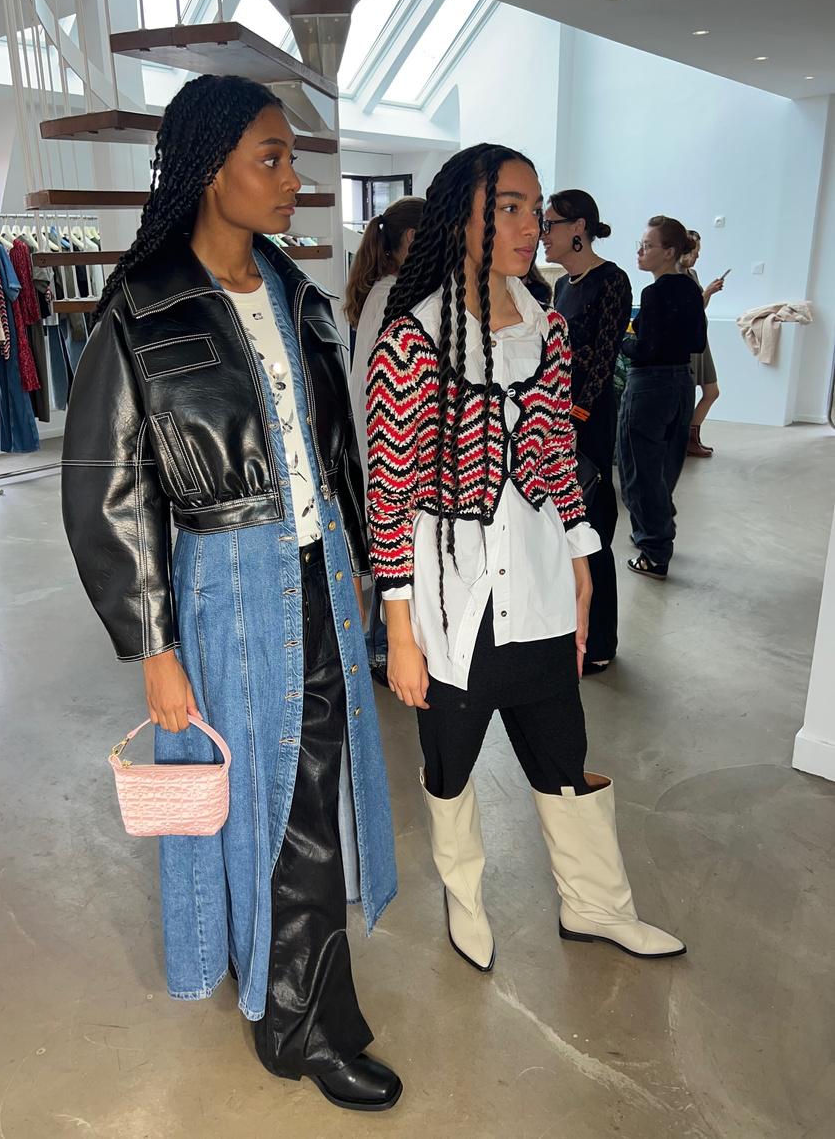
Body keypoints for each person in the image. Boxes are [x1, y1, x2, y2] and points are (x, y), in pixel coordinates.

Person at [61, 75, 401, 1113]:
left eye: (291, 158)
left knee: (316, 792)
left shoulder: (296, 295)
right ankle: (298, 1021)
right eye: (272, 158)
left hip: (320, 571)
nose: (294, 180)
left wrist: (366, 567)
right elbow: (107, 490)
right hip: (226, 578)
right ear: (213, 170)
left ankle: (295, 996)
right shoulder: (145, 306)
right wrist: (154, 648)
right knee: (273, 801)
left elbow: (335, 450)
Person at [365, 144, 685, 976]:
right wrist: (399, 632)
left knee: (561, 750)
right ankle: (465, 901)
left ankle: (596, 907)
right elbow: (389, 497)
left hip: (539, 577)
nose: (527, 226)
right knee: (450, 763)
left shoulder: (548, 327)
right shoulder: (410, 340)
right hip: (454, 596)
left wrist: (581, 557)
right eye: (507, 206)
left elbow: (554, 456)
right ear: (460, 218)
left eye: (533, 209)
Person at [543, 189, 632, 674]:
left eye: (550, 224)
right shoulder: (562, 285)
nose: (543, 234)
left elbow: (602, 359)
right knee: (564, 531)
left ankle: (599, 642)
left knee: (591, 528)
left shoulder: (612, 280)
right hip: (561, 421)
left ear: (578, 227)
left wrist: (573, 417)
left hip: (588, 421)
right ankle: (572, 630)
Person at [344, 197, 425, 679]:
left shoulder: (383, 291)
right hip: (384, 445)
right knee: (392, 546)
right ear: (413, 239)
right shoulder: (395, 294)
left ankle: (382, 644)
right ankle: (380, 648)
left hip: (377, 441)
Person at [618, 217, 707, 580]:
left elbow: (645, 350)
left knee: (639, 470)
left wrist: (620, 340)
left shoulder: (654, 294)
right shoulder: (690, 289)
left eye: (647, 245)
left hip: (650, 387)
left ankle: (655, 550)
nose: (640, 251)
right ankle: (652, 530)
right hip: (681, 384)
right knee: (664, 467)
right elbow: (697, 342)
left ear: (669, 252)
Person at [680, 230, 725, 457]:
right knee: (689, 393)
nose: (697, 256)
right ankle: (687, 440)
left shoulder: (692, 273)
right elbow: (688, 311)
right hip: (689, 342)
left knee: (711, 391)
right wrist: (707, 292)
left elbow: (699, 308)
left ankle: (691, 437)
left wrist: (708, 293)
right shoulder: (675, 277)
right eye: (695, 252)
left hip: (700, 339)